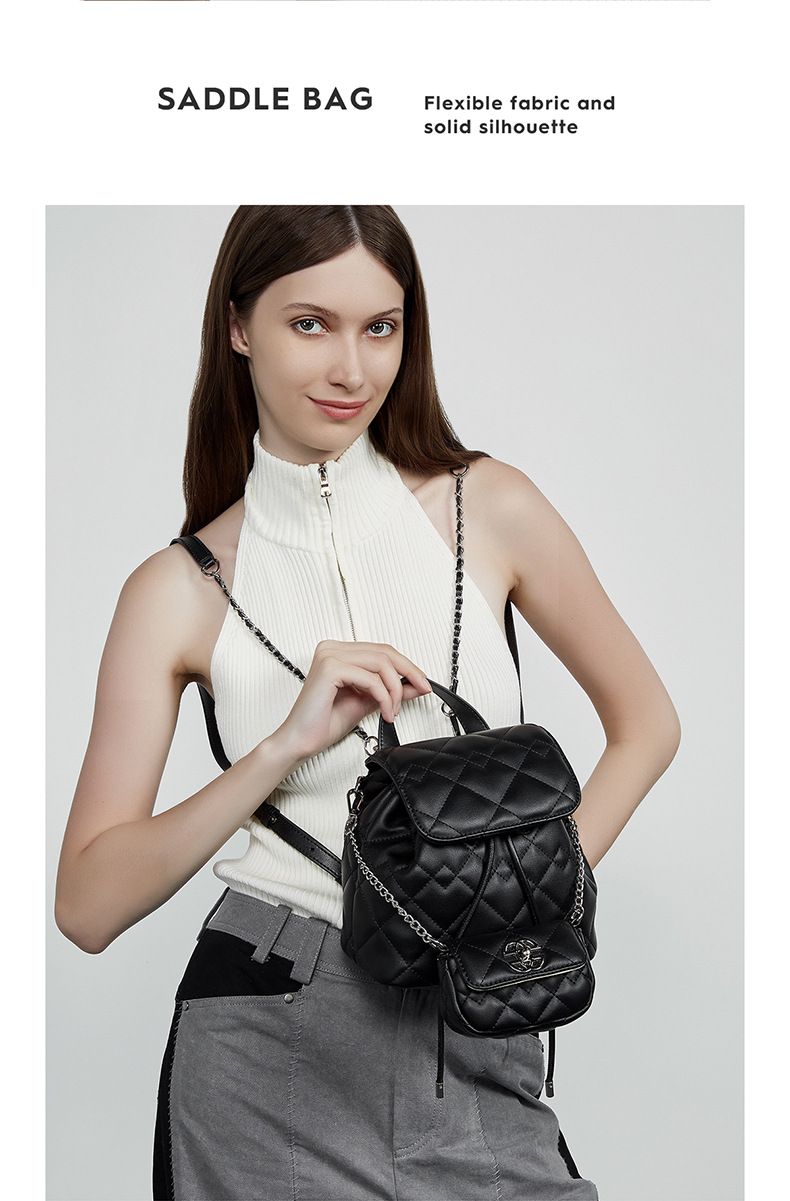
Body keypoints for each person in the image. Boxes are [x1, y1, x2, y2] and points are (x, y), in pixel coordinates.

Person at [55, 205, 680, 1201]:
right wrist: (280, 746)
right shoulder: (177, 590)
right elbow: (88, 906)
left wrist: (517, 900)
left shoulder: (489, 506)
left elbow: (647, 725)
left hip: (472, 1012)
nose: (351, 368)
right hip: (268, 1033)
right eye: (310, 323)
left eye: (379, 327)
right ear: (238, 325)